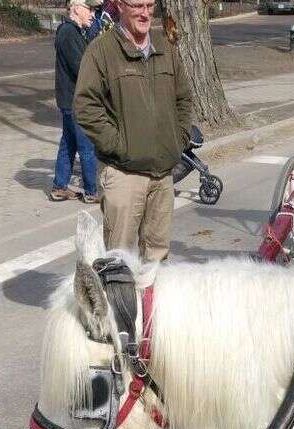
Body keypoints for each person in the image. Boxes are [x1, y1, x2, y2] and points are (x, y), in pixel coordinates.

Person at [73, 0, 192, 261]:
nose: (146, 13)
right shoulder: (101, 51)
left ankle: (150, 303)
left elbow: (183, 98)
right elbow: (85, 106)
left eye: (150, 5)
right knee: (120, 260)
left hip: (162, 175)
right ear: (119, 5)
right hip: (123, 174)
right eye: (138, 5)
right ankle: (119, 303)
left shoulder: (165, 48)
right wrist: (119, 146)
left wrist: (178, 139)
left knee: (157, 260)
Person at [50, 0, 101, 203]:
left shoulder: (76, 31)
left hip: (70, 98)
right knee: (86, 146)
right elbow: (81, 68)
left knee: (69, 143)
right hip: (75, 99)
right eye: (90, 10)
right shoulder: (69, 33)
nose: (93, 14)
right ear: (77, 8)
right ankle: (91, 191)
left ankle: (59, 187)